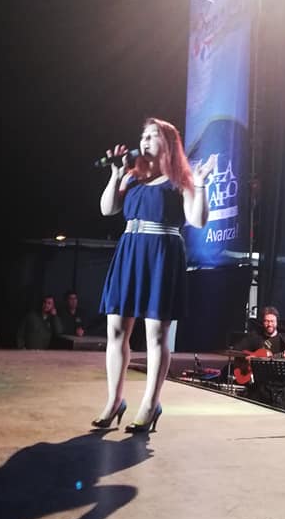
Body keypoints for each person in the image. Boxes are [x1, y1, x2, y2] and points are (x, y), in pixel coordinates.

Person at [92, 117, 216, 432]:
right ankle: (114, 401)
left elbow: (197, 220)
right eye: (143, 135)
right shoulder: (132, 176)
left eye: (152, 135)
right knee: (115, 331)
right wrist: (116, 173)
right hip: (130, 251)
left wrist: (201, 183)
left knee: (155, 335)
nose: (144, 140)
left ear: (168, 142)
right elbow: (108, 209)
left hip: (161, 254)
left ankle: (150, 403)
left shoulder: (180, 180)